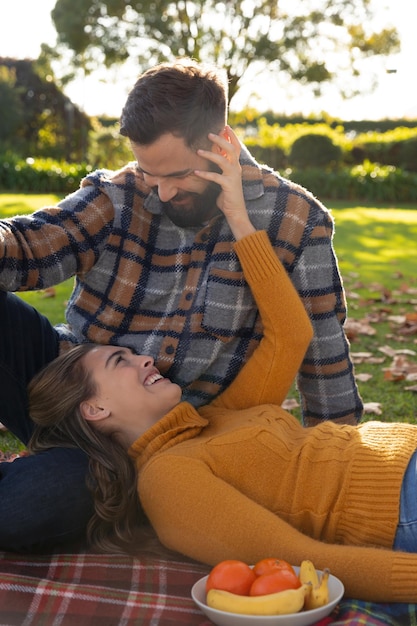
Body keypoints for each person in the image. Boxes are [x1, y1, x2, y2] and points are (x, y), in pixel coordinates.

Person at [0, 58, 362, 551]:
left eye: (176, 175)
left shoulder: (296, 220)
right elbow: (29, 246)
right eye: (150, 174)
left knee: (33, 504)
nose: (162, 191)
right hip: (71, 386)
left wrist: (337, 471)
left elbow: (322, 356)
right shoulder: (121, 194)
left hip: (152, 448)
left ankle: (49, 476)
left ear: (221, 143)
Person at [27, 194, 417, 604]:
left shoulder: (216, 416)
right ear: (95, 408)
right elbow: (303, 559)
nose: (145, 359)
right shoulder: (167, 483)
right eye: (120, 360)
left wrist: (238, 218)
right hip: (401, 501)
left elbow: (290, 335)